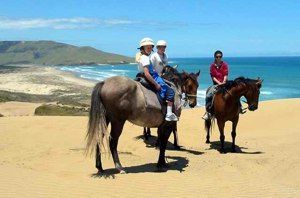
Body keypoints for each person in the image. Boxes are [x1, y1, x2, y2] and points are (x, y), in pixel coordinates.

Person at [136, 38, 178, 121]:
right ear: (143, 48)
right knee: (170, 92)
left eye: (150, 47)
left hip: (156, 75)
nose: (150, 49)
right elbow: (147, 73)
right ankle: (169, 114)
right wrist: (156, 84)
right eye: (147, 47)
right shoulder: (145, 58)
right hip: (154, 76)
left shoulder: (144, 56)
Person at [202, 50, 228, 120]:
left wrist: (224, 81)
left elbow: (225, 74)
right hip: (216, 84)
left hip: (225, 83)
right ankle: (208, 112)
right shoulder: (212, 66)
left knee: (234, 91)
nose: (219, 58)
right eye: (217, 57)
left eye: (220, 56)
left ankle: (239, 108)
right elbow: (213, 77)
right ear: (215, 57)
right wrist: (219, 83)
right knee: (208, 95)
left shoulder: (224, 65)